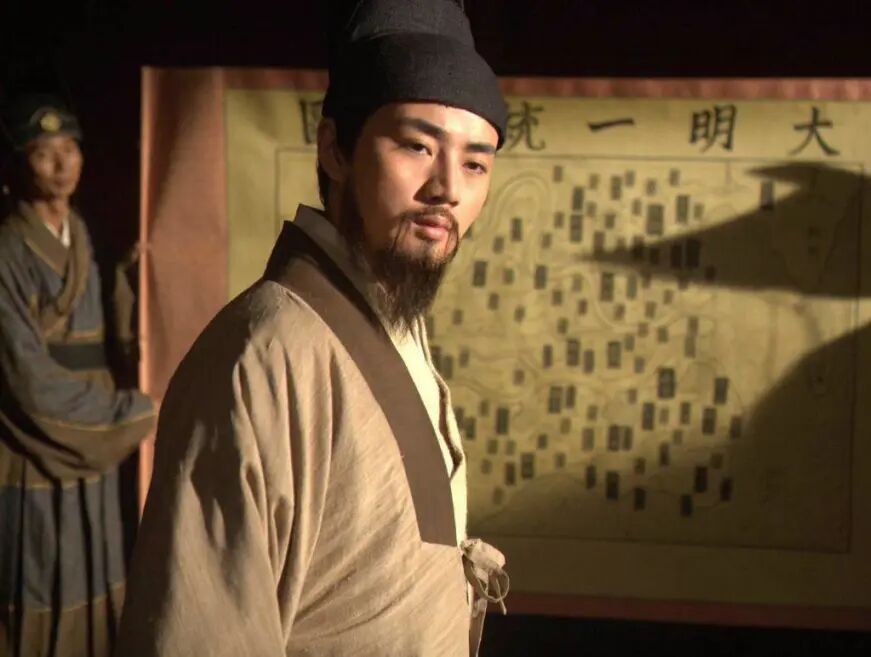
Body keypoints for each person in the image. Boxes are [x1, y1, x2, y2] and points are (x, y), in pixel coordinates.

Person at [116, 1, 510, 655]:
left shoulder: (396, 325)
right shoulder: (262, 355)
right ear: (335, 149)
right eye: (416, 145)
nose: (447, 187)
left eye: (475, 163)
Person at [0, 95, 157, 657]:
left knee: (98, 570)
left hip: (94, 437)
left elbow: (114, 333)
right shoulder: (8, 249)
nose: (63, 163)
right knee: (42, 576)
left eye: (71, 149)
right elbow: (24, 378)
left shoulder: (83, 235)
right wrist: (125, 415)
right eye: (45, 153)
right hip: (43, 441)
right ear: (19, 163)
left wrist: (134, 280)